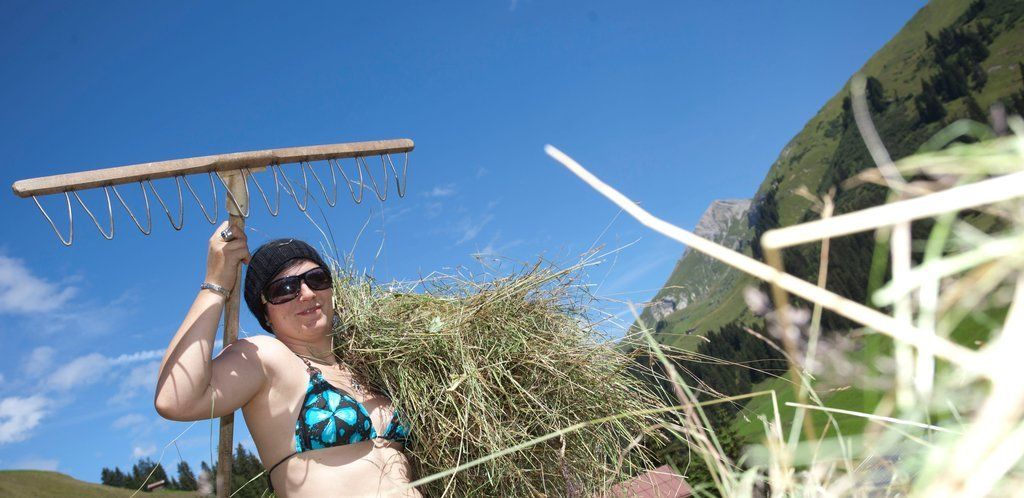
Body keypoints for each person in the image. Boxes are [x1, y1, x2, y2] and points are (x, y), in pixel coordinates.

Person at [155, 221, 419, 497]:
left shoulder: (369, 366)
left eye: (316, 278)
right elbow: (175, 399)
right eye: (285, 288)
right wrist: (215, 285)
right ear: (265, 314)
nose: (307, 294)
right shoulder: (268, 357)